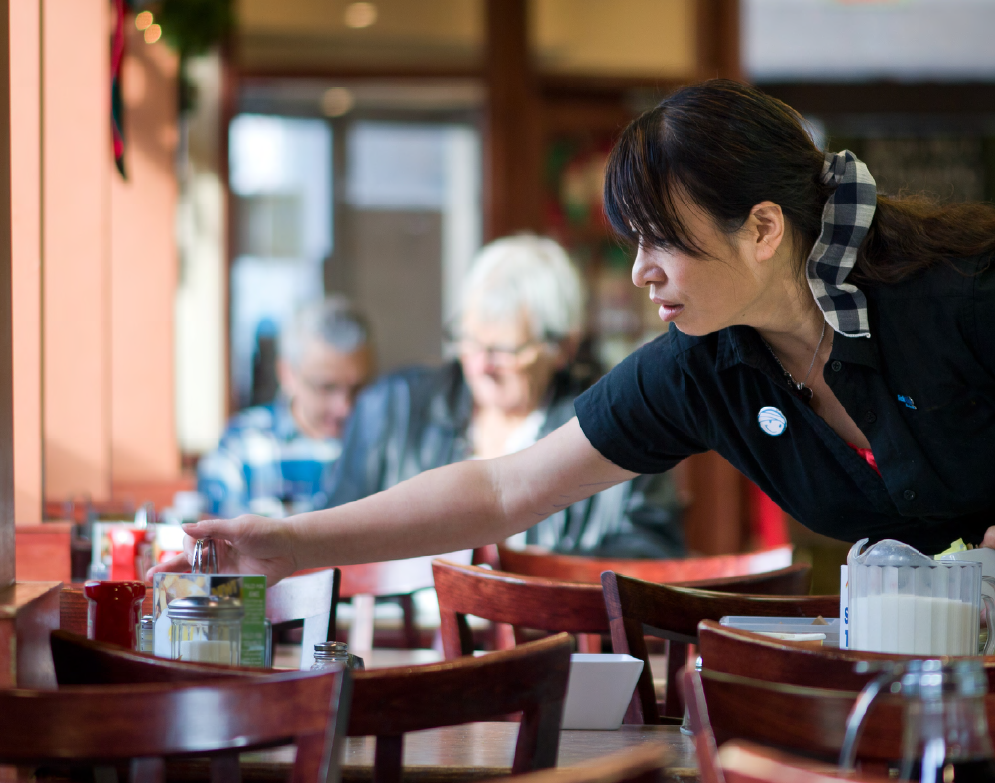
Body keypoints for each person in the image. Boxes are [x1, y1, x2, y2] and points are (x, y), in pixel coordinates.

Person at [156, 79, 995, 584]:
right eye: (635, 241)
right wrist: (291, 544)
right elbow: (503, 490)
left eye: (662, 238)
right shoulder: (704, 369)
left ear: (764, 228)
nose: (641, 271)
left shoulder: (958, 296)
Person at [325, 235, 684, 558]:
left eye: (503, 351)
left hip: (545, 630)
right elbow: (332, 538)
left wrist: (536, 577)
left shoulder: (617, 424)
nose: (481, 365)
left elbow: (654, 553)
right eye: (470, 342)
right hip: (400, 629)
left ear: (563, 347)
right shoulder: (392, 409)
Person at [196, 297, 373, 518]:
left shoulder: (388, 440)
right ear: (287, 374)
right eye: (326, 387)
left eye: (358, 388)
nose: (345, 407)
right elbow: (219, 542)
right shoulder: (241, 446)